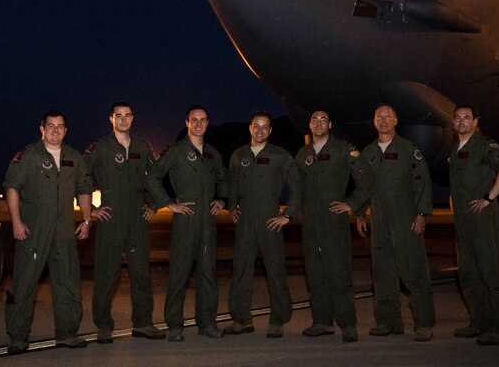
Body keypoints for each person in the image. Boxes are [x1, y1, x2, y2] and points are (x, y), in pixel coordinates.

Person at [330, 103, 435, 342]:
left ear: (396, 121)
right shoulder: (368, 153)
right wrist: (361, 213)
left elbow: (422, 181)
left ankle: (424, 323)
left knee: (413, 270)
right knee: (383, 272)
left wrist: (421, 214)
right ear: (374, 122)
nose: (384, 120)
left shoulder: (409, 149)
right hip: (379, 220)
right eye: (379, 117)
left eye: (388, 116)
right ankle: (389, 322)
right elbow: (364, 186)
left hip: (406, 218)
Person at [3, 110, 94, 354]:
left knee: (67, 283)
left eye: (60, 126)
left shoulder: (73, 157)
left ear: (66, 130)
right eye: (50, 126)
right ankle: (18, 338)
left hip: (64, 232)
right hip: (34, 231)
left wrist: (86, 220)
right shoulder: (29, 155)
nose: (55, 130)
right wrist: (16, 222)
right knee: (24, 284)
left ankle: (67, 334)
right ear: (41, 128)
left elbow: (85, 189)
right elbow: (12, 188)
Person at [83, 102, 165, 343]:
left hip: (138, 220)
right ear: (111, 118)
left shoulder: (142, 146)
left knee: (141, 273)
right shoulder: (99, 147)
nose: (123, 119)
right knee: (107, 274)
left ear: (133, 118)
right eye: (118, 115)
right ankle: (104, 326)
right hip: (111, 218)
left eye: (128, 115)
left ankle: (143, 323)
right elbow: (80, 177)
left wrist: (153, 205)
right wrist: (93, 209)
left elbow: (156, 177)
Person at [144, 105, 228, 342]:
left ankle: (207, 323)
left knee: (208, 275)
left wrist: (222, 199)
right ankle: (174, 326)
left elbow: (223, 179)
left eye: (203, 120)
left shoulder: (213, 153)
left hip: (207, 224)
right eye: (194, 120)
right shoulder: (176, 151)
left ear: (208, 123)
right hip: (185, 221)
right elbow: (152, 177)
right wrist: (169, 203)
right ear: (187, 122)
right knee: (179, 275)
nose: (199, 124)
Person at [223, 111, 301, 339]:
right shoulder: (238, 155)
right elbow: (233, 184)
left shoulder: (280, 156)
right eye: (256, 126)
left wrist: (287, 215)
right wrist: (232, 207)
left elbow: (296, 186)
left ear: (270, 130)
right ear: (250, 128)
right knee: (241, 270)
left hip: (270, 220)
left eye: (265, 127)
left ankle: (278, 320)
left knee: (275, 269)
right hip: (245, 220)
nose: (260, 130)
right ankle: (241, 319)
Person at [294, 109, 367, 343]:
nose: (318, 123)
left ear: (330, 124)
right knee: (315, 274)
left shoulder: (344, 149)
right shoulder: (302, 153)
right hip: (310, 223)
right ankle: (322, 322)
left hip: (334, 221)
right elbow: (295, 187)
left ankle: (348, 324)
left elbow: (366, 180)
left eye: (323, 119)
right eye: (314, 119)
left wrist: (352, 204)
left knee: (339, 274)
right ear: (309, 124)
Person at [448, 105, 499, 345]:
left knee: (491, 272)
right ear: (453, 123)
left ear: (475, 121)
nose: (462, 122)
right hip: (464, 221)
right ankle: (479, 322)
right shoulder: (455, 149)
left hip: (482, 219)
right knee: (469, 273)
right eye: (457, 118)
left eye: (467, 118)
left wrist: (489, 197)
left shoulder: (485, 144)